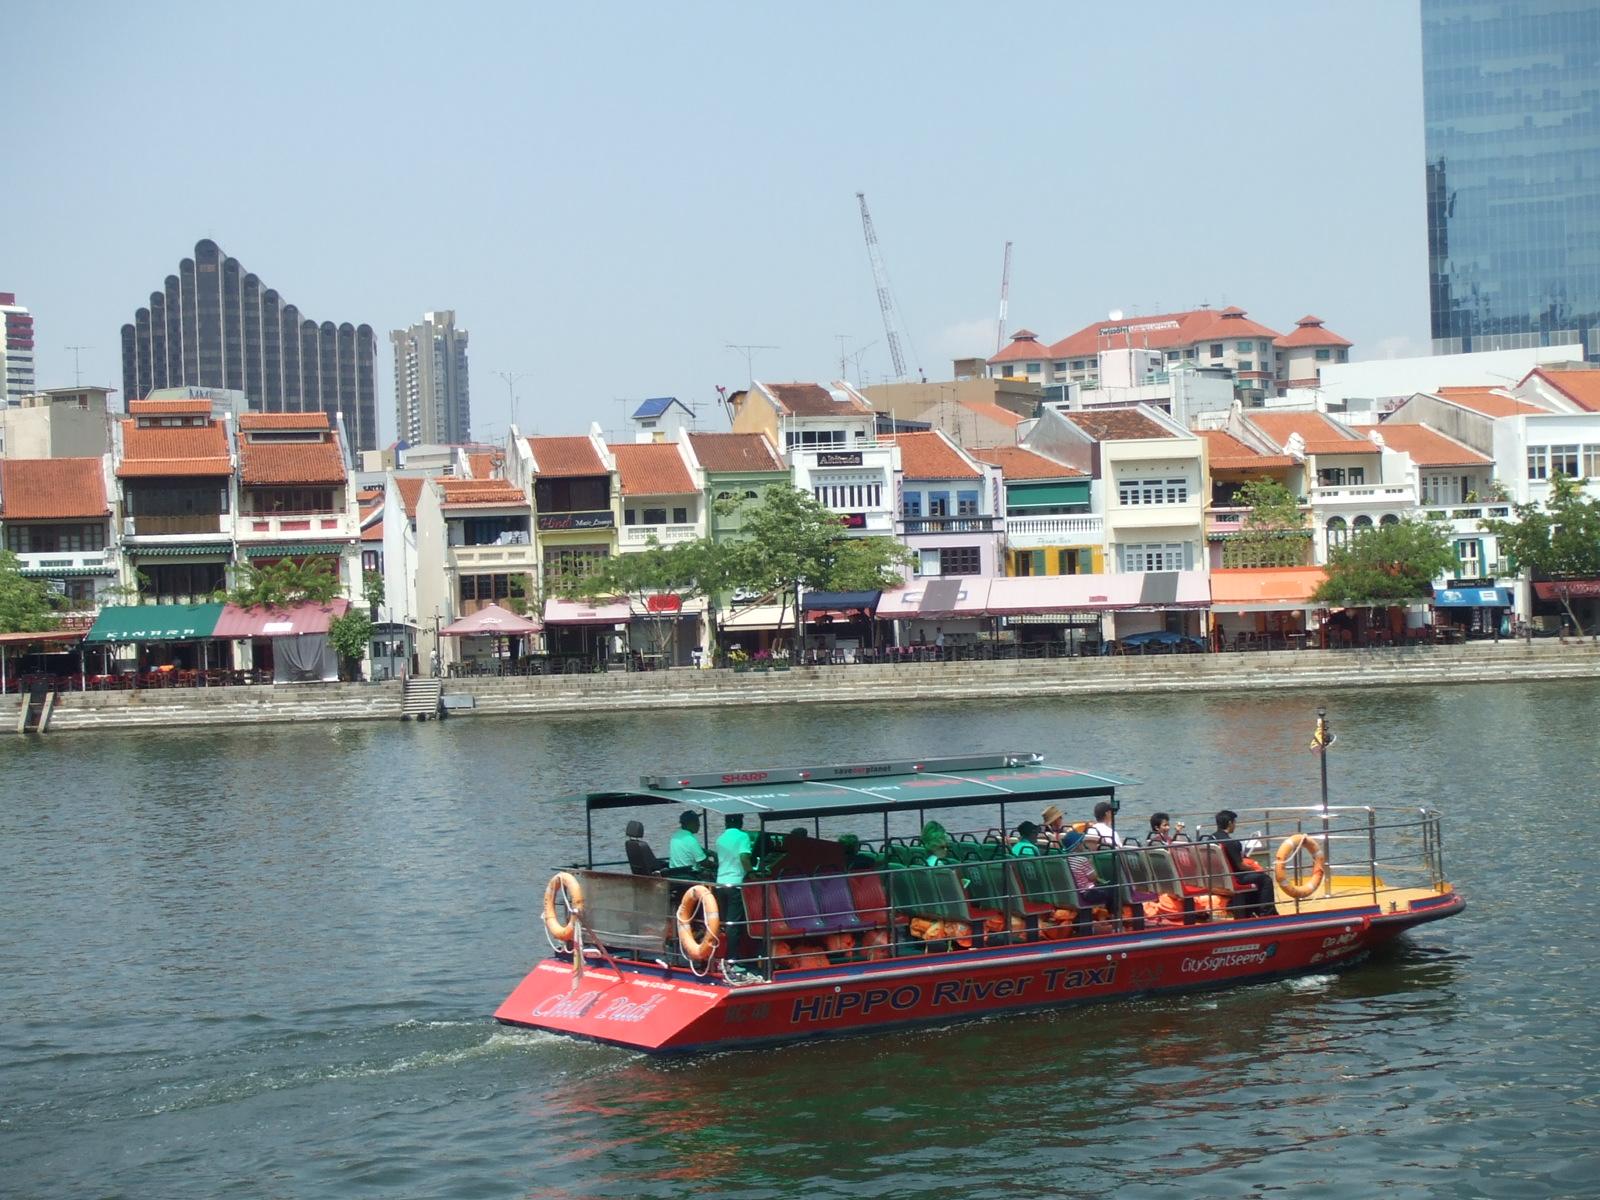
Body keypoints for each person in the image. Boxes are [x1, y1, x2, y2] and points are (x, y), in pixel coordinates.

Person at [1213, 809, 1278, 918]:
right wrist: (1255, 869)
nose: (1235, 825)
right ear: (1230, 823)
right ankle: (1267, 913)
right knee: (1265, 879)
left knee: (1255, 878)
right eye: (1234, 822)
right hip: (1234, 879)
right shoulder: (1230, 842)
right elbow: (1240, 865)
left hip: (1218, 879)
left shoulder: (1210, 839)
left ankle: (1251, 912)